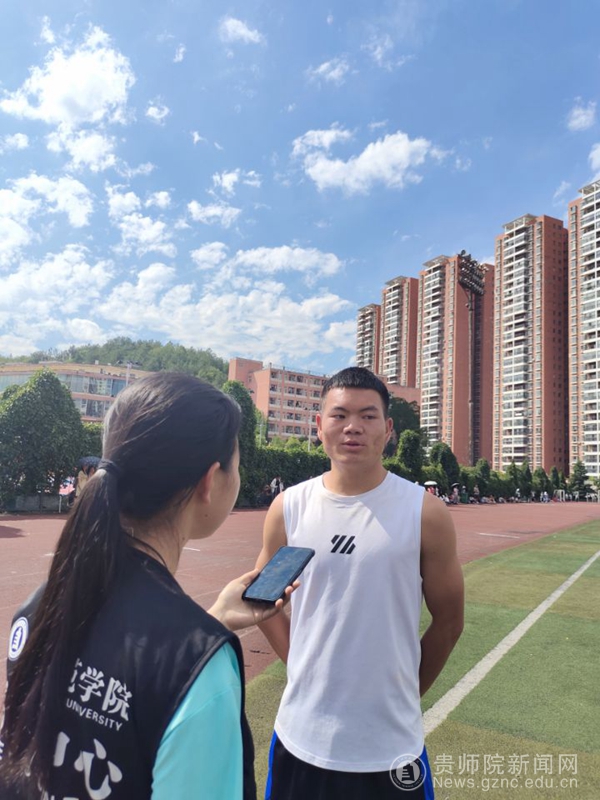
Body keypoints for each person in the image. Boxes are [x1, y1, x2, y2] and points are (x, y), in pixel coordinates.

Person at [0, 372, 296, 800]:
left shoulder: (41, 604)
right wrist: (197, 646)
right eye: (237, 463)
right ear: (210, 481)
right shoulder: (200, 667)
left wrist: (211, 623)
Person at [256, 367, 464, 800]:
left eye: (368, 416)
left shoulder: (424, 512)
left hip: (391, 747)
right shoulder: (289, 507)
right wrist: (300, 665)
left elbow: (449, 621)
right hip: (300, 737)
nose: (353, 427)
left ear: (388, 429)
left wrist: (407, 694)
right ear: (319, 426)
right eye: (339, 415)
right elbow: (262, 601)